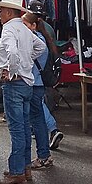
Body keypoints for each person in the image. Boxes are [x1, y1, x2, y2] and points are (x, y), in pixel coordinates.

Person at [0, 0, 45, 184]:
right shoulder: (24, 28)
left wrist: (12, 71)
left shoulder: (8, 29)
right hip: (27, 83)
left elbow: (13, 53)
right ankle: (24, 168)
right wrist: (27, 61)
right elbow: (41, 46)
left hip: (15, 84)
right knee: (23, 126)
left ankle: (17, 172)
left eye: (0, 12)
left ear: (7, 11)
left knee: (16, 128)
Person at [21, 11, 54, 169]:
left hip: (35, 84)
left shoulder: (37, 41)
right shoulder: (40, 38)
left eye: (25, 25)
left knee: (37, 120)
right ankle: (44, 155)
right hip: (36, 84)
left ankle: (43, 156)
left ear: (34, 26)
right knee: (37, 119)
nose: (23, 28)